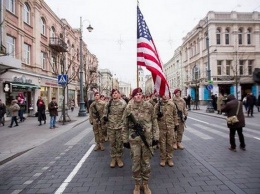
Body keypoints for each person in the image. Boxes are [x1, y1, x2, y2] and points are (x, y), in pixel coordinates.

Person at [122, 87, 159, 194]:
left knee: (146, 163)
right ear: (133, 96)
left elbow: (154, 121)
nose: (138, 96)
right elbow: (124, 124)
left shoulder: (149, 106)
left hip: (147, 139)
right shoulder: (128, 107)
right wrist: (125, 140)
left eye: (140, 94)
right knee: (136, 163)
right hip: (134, 140)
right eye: (136, 94)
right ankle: (137, 185)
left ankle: (145, 184)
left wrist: (156, 137)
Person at [103, 89, 127, 168]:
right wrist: (105, 118)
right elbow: (105, 112)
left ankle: (119, 157)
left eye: (116, 93)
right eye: (113, 93)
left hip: (120, 127)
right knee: (112, 143)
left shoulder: (123, 104)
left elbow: (126, 115)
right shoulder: (108, 103)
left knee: (119, 143)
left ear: (119, 94)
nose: (114, 94)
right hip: (111, 127)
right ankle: (113, 158)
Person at [154, 94, 179, 167]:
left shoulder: (171, 104)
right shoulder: (158, 105)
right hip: (161, 127)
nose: (164, 96)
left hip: (170, 127)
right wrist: (158, 115)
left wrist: (176, 124)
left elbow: (175, 115)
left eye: (166, 94)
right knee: (162, 144)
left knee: (170, 144)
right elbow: (153, 115)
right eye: (163, 94)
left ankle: (169, 158)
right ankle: (163, 158)